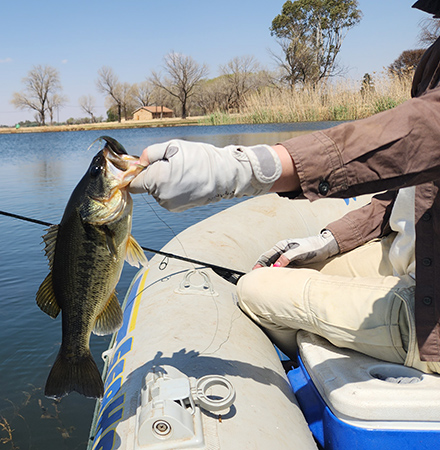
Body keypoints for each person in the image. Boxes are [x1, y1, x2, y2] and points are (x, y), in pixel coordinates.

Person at [128, 1, 440, 374]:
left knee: (254, 289)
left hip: (428, 307)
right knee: (285, 272)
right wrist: (330, 240)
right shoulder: (435, 55)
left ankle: (353, 367)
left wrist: (247, 168)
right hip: (407, 256)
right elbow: (408, 186)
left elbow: (425, 129)